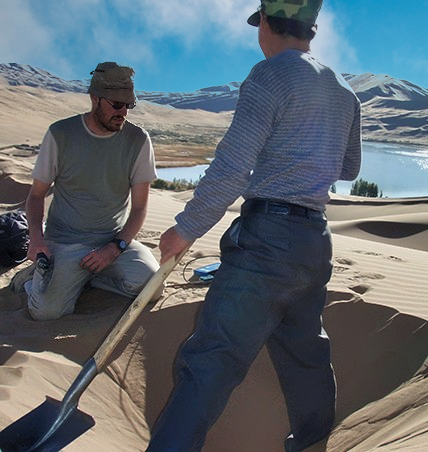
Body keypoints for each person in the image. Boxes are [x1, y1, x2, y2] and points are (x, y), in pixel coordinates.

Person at [149, 0, 361, 450]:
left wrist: (187, 227)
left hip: (267, 240)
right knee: (306, 354)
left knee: (210, 361)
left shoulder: (269, 75)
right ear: (312, 29)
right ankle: (312, 442)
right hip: (313, 242)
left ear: (265, 22)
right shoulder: (345, 91)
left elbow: (231, 167)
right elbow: (348, 167)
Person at [24, 62, 162, 321]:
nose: (123, 112)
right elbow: (35, 196)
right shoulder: (60, 134)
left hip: (112, 242)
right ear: (94, 98)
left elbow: (140, 207)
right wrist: (37, 239)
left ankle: (85, 278)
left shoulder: (138, 140)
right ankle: (33, 282)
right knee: (46, 312)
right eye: (116, 104)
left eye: (128, 105)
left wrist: (116, 246)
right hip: (64, 242)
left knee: (151, 287)